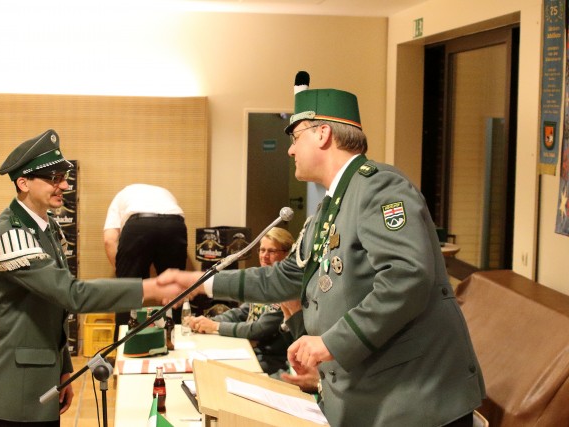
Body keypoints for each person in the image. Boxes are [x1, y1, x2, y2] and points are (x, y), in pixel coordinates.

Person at [158, 79, 485, 426]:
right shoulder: (328, 210)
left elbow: (407, 277)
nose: (290, 150)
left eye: (295, 137)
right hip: (370, 394)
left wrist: (331, 343)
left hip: (417, 400)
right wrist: (202, 283)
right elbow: (284, 278)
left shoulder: (380, 187)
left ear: (323, 134)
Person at [0, 129, 182, 427]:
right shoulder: (11, 235)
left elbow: (53, 310)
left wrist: (62, 367)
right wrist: (148, 288)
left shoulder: (46, 228)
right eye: (54, 178)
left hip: (42, 370)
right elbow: (71, 294)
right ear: (23, 183)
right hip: (18, 380)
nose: (64, 185)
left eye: (63, 177)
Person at [188, 227, 294, 375]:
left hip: (271, 360)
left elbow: (259, 329)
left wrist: (215, 326)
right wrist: (206, 322)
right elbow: (241, 313)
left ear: (287, 254)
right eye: (262, 250)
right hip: (251, 350)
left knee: (218, 372)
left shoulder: (285, 289)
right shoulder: (262, 284)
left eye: (271, 251)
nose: (264, 256)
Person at [103, 183, 187, 338]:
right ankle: (175, 341)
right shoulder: (164, 192)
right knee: (173, 290)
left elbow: (109, 240)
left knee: (127, 292)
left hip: (139, 223)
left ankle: (124, 345)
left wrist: (124, 274)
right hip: (175, 224)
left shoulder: (120, 197)